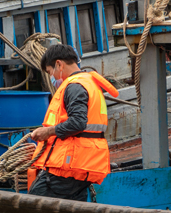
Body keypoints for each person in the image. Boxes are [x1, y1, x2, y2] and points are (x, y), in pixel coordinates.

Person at [27, 44, 119, 201]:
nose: (53, 78)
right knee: (73, 211)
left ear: (59, 64)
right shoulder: (88, 83)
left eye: (50, 72)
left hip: (70, 164)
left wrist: (47, 132)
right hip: (83, 163)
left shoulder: (74, 86)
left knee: (34, 204)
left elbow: (78, 122)